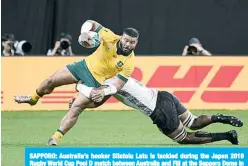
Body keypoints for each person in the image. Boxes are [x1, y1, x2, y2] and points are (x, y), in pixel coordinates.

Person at [14, 20, 139, 145]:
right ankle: (33, 98)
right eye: (126, 40)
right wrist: (85, 33)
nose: (128, 44)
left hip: (96, 81)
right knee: (50, 81)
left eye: (132, 42)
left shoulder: (129, 62)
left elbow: (118, 85)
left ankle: (55, 137)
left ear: (136, 43)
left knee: (76, 108)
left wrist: (103, 91)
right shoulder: (110, 36)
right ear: (121, 38)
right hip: (82, 66)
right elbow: (91, 23)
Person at [75, 77, 243, 145]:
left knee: (184, 138)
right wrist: (83, 104)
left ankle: (227, 135)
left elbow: (95, 95)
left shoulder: (108, 84)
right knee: (193, 121)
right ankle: (221, 117)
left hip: (158, 110)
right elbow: (98, 101)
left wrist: (79, 87)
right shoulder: (118, 73)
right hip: (163, 95)